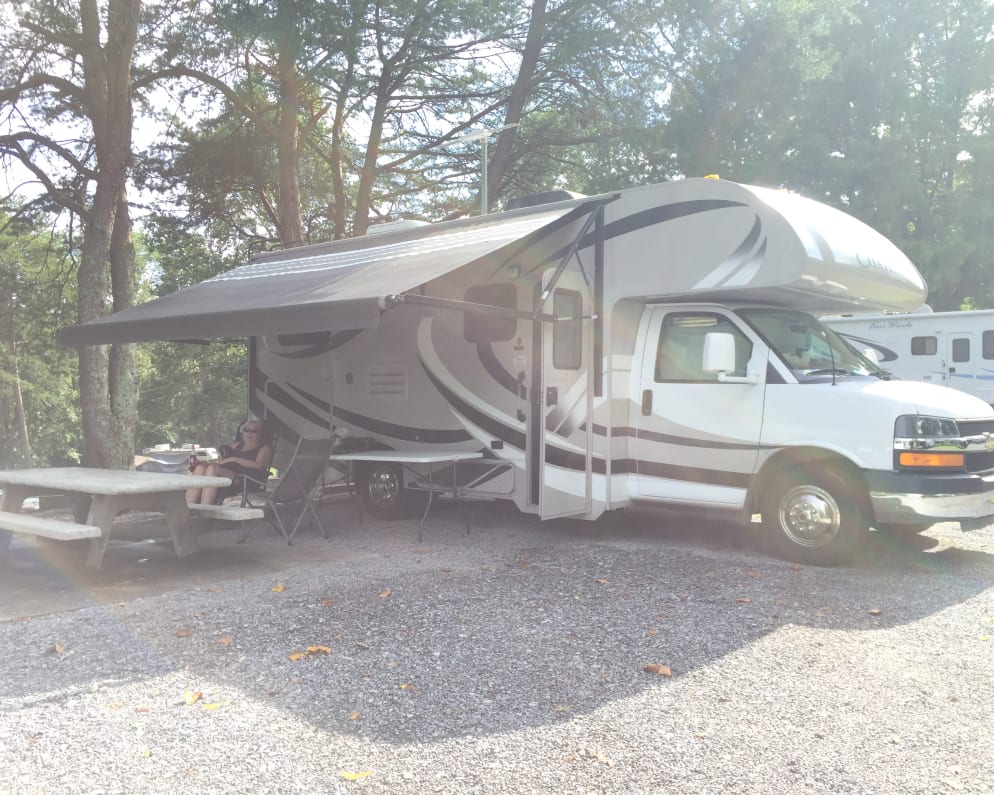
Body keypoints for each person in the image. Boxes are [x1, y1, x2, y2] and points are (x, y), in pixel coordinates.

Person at [186, 419, 274, 505]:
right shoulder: (238, 445)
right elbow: (223, 462)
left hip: (246, 479)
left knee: (212, 470)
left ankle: (205, 510)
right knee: (200, 468)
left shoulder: (264, 448)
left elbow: (259, 465)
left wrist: (235, 459)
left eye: (254, 431)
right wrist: (205, 464)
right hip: (230, 474)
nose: (249, 433)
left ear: (261, 433)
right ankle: (186, 509)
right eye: (246, 430)